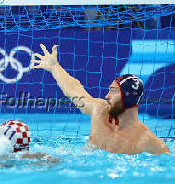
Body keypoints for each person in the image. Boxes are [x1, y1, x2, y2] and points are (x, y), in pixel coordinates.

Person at [32, 44, 171, 155]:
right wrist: (54, 67)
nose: (107, 96)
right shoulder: (100, 109)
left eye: (113, 91)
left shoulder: (147, 141)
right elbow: (76, 91)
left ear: (127, 96)